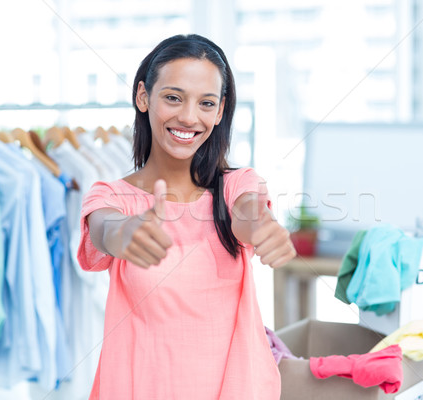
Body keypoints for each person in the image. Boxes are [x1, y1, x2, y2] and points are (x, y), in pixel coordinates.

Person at [77, 34, 296, 399]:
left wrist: (264, 228)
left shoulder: (235, 185)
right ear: (143, 96)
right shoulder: (111, 196)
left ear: (221, 109)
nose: (189, 117)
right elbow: (105, 228)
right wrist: (125, 233)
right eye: (174, 98)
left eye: (206, 103)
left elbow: (249, 213)